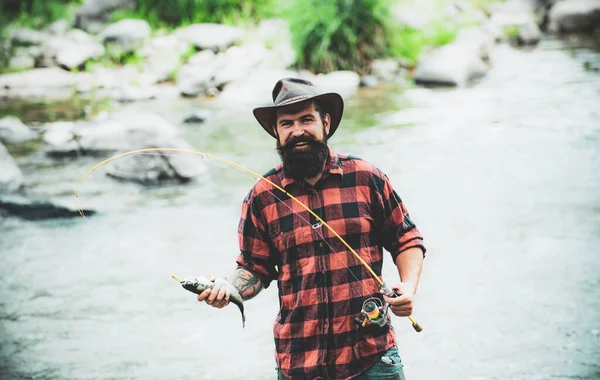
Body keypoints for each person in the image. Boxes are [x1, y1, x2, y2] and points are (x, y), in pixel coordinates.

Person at [197, 78, 426, 380]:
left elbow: (406, 239)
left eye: (307, 120)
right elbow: (255, 267)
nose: (297, 131)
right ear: (276, 134)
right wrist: (229, 289)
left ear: (325, 123)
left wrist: (408, 288)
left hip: (372, 358)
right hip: (299, 363)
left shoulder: (366, 178)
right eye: (287, 124)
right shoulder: (262, 195)